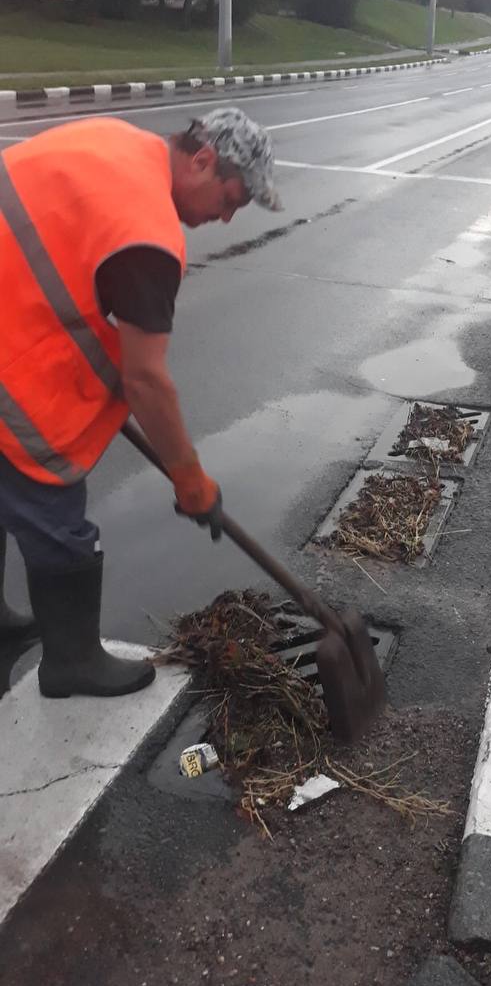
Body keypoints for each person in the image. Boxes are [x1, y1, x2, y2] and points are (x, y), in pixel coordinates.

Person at [0, 105, 281, 698]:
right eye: (231, 198)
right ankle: (72, 662)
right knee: (47, 495)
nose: (228, 216)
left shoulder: (116, 141)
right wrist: (190, 480)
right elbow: (147, 380)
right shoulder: (147, 231)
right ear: (203, 160)